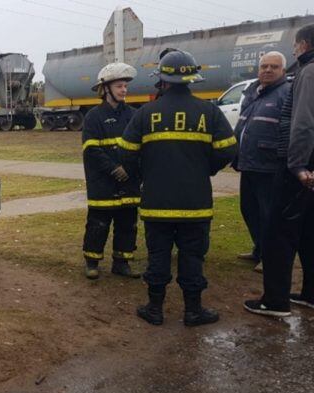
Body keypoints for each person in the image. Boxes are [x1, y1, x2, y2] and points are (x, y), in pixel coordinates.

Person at [120, 50, 237, 327]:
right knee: (193, 256)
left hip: (156, 202)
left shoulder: (145, 113)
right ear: (191, 79)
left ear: (162, 80)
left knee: (158, 255)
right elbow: (229, 149)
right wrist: (205, 168)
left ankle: (155, 309)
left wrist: (145, 172)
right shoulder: (209, 111)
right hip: (195, 202)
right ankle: (193, 311)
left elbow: (125, 153)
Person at [244, 24, 314, 317]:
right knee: (309, 231)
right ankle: (310, 294)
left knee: (278, 235)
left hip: (296, 168)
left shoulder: (307, 73)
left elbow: (303, 123)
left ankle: (275, 300)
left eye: (296, 46)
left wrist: (297, 166)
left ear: (303, 45)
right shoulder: (256, 91)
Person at [81, 62, 141, 280]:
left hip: (129, 182)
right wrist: (115, 168)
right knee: (98, 224)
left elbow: (141, 147)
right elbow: (92, 150)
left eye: (125, 86)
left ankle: (122, 263)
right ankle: (92, 262)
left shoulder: (134, 115)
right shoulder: (93, 117)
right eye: (119, 86)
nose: (124, 90)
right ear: (105, 89)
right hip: (103, 182)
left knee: (128, 225)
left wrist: (130, 169)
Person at [233, 52, 291, 273]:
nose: (267, 70)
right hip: (248, 162)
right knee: (249, 209)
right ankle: (259, 249)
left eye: (273, 67)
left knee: (269, 213)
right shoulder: (254, 92)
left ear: (282, 71)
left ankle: (271, 256)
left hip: (270, 165)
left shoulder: (285, 93)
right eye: (264, 66)